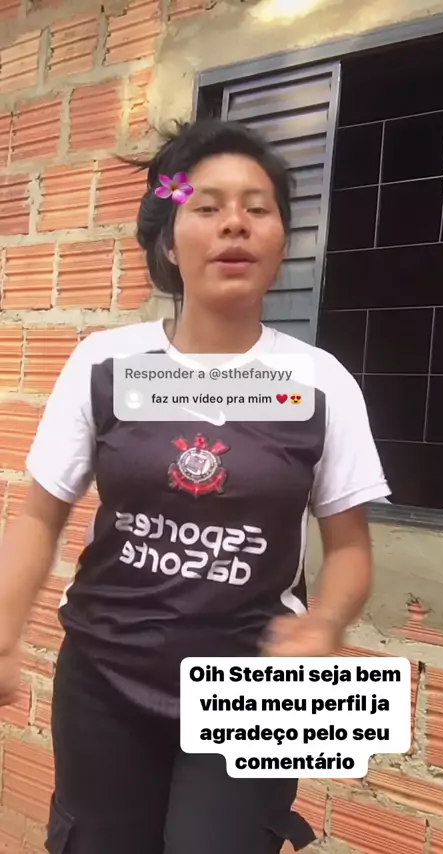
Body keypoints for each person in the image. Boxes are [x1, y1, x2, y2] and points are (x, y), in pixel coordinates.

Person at [0, 119, 391, 854]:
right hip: (106, 675)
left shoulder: (319, 384)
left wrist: (325, 626)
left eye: (257, 207)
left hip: (258, 685)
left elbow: (348, 549)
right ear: (169, 243)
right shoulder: (106, 365)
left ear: (281, 239)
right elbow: (37, 517)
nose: (234, 223)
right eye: (206, 207)